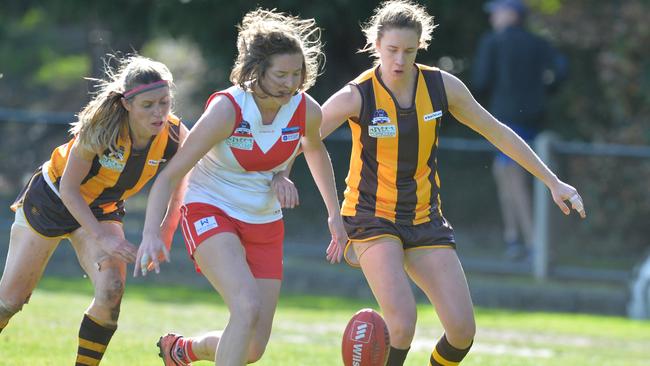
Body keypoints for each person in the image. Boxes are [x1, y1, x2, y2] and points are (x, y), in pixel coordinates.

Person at [319, 1, 585, 365]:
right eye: (392, 50)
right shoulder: (357, 94)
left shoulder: (442, 86)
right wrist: (278, 175)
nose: (399, 60)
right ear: (376, 44)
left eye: (409, 51)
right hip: (371, 217)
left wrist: (553, 182)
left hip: (426, 219)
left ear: (420, 47)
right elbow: (303, 136)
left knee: (462, 330)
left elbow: (498, 132)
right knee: (402, 323)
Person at [135, 8, 347, 366]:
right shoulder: (228, 109)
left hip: (264, 219)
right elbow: (171, 175)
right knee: (246, 306)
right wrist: (151, 233)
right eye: (280, 74)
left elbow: (311, 147)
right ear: (256, 70)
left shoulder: (305, 109)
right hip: (209, 208)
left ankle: (185, 350)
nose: (290, 83)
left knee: (252, 349)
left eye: (297, 74)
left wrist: (332, 213)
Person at [0, 55, 187, 365]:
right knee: (10, 301)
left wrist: (165, 233)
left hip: (102, 208)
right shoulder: (100, 129)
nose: (159, 112)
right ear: (127, 103)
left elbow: (182, 180)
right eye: (148, 105)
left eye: (165, 102)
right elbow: (69, 191)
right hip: (52, 201)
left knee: (112, 289)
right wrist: (103, 238)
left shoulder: (174, 134)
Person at [472, 0, 568, 260]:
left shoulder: (494, 42)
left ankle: (534, 243)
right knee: (505, 172)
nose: (492, 17)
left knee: (512, 175)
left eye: (496, 12)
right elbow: (561, 69)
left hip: (504, 120)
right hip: (533, 118)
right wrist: (544, 92)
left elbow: (480, 81)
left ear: (511, 14)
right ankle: (514, 238)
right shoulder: (538, 43)